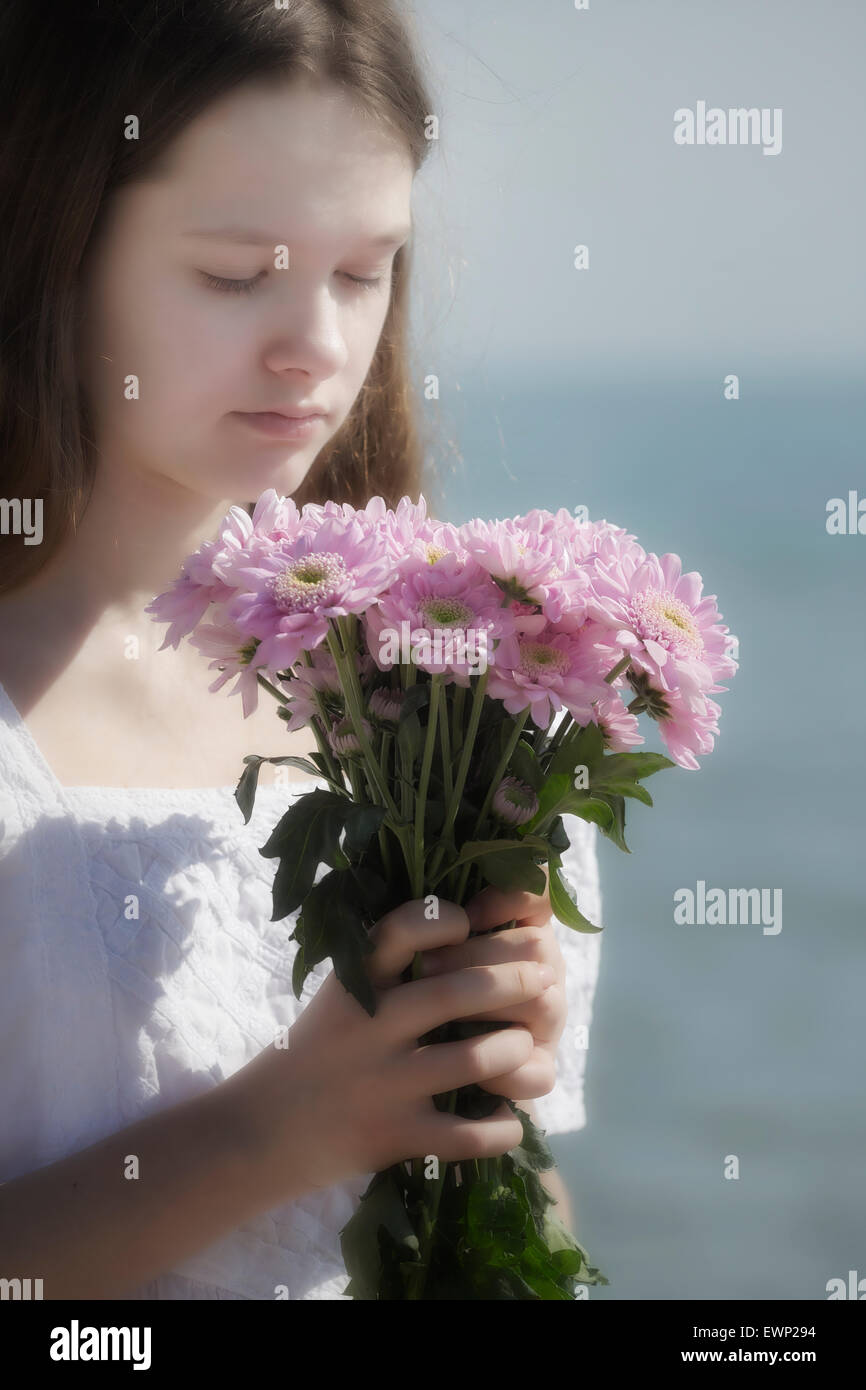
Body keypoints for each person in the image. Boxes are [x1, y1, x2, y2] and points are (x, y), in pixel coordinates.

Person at [0, 0, 603, 1299]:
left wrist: (482, 1087)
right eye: (234, 271)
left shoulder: (444, 697)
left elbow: (521, 1229)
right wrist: (276, 1131)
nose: (320, 350)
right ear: (50, 235)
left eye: (362, 267)